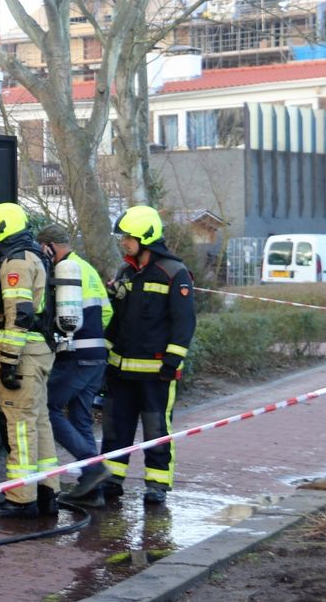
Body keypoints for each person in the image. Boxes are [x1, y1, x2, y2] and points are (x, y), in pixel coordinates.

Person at [101, 205, 196, 505]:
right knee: (116, 428)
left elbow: (184, 322)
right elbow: (118, 319)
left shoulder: (174, 272)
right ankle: (110, 480)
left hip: (157, 372)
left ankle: (157, 485)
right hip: (121, 370)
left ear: (146, 237)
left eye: (128, 237)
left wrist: (172, 362)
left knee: (156, 429)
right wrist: (105, 356)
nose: (123, 242)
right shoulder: (126, 272)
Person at [0, 203, 60, 519]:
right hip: (37, 352)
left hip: (23, 355)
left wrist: (8, 360)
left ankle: (21, 499)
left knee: (20, 427)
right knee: (39, 422)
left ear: (2, 231)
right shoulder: (32, 256)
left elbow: (19, 316)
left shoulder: (16, 264)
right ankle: (47, 492)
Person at [35, 224, 113, 507]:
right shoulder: (88, 269)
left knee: (47, 407)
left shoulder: (61, 272)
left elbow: (48, 316)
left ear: (48, 247)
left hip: (75, 357)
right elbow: (107, 311)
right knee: (80, 418)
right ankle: (93, 491)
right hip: (96, 355)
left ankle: (93, 469)